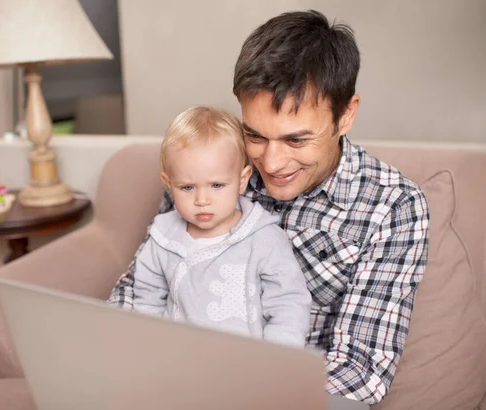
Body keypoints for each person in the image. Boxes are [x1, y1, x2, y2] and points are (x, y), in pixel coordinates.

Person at [109, 9, 429, 405]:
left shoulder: (393, 206)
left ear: (346, 115)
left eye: (296, 140)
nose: (272, 164)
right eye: (255, 135)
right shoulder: (212, 167)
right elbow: (138, 289)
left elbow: (359, 371)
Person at [132, 106, 312, 347]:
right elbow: (147, 301)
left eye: (216, 185)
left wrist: (277, 361)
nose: (202, 200)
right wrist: (147, 348)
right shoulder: (163, 237)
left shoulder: (264, 238)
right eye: (187, 187)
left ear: (241, 180)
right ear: (169, 183)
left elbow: (288, 304)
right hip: (177, 361)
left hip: (245, 366)